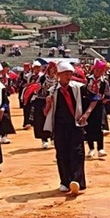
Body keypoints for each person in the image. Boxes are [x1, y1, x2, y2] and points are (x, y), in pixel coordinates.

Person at [43, 62, 99, 195]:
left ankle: (77, 181)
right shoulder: (52, 91)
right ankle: (64, 181)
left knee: (77, 153)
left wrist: (86, 114)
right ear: (58, 75)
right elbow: (45, 112)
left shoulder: (79, 87)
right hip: (60, 127)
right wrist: (48, 103)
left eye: (70, 74)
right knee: (61, 153)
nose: (69, 76)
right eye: (65, 74)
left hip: (76, 125)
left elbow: (95, 98)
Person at [85, 61, 110, 157]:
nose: (98, 72)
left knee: (99, 127)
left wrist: (101, 101)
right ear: (93, 70)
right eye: (97, 70)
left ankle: (100, 148)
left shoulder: (104, 82)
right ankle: (91, 148)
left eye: (100, 71)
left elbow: (108, 95)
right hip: (87, 106)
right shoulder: (87, 79)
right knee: (88, 127)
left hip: (99, 107)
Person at [32, 61, 57, 149]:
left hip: (54, 101)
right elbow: (37, 89)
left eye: (55, 68)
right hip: (42, 100)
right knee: (41, 121)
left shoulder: (57, 79)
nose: (53, 70)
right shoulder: (42, 78)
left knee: (54, 120)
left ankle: (53, 137)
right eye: (52, 68)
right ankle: (44, 140)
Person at [0, 62, 17, 144]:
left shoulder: (8, 78)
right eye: (7, 67)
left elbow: (9, 88)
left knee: (6, 117)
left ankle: (4, 136)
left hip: (5, 98)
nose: (8, 69)